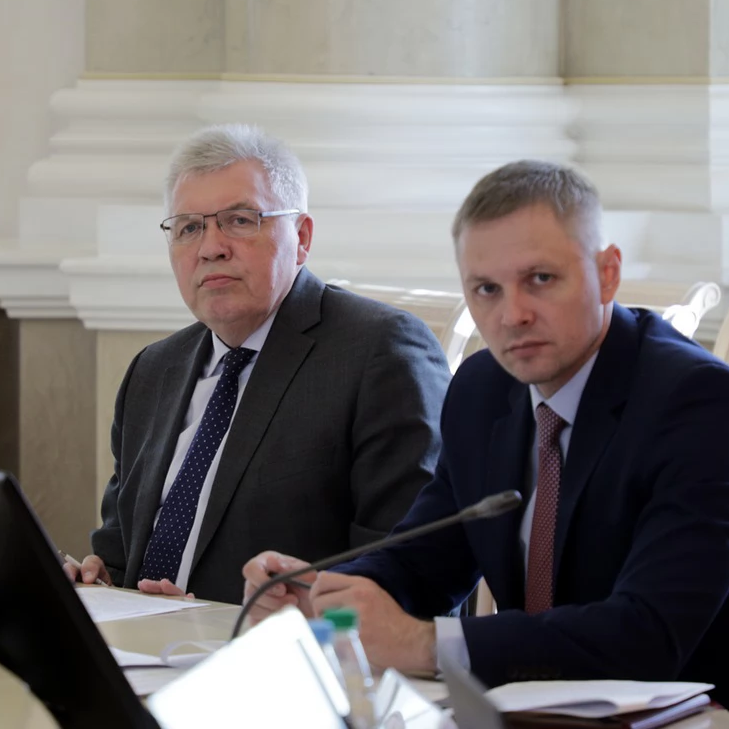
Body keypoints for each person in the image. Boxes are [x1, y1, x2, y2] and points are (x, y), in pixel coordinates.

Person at [243, 160, 729, 728]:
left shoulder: (706, 407)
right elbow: (423, 562)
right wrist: (323, 594)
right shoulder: (483, 389)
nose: (513, 315)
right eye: (486, 289)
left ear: (608, 272)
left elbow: (648, 636)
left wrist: (425, 644)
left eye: (540, 280)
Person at [65, 124, 450, 605]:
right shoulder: (153, 370)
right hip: (143, 642)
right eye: (189, 227)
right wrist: (98, 580)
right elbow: (120, 554)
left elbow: (414, 571)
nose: (211, 247)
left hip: (282, 644)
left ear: (301, 237)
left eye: (240, 220)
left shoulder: (380, 353)